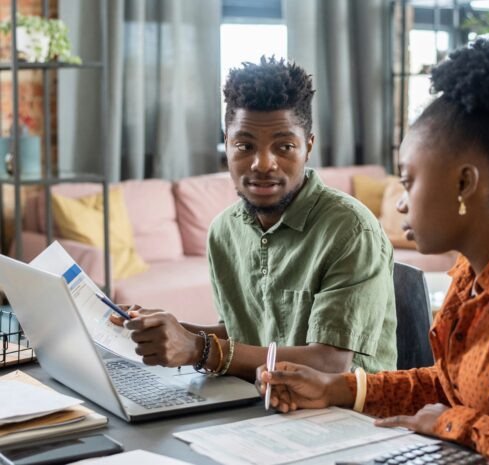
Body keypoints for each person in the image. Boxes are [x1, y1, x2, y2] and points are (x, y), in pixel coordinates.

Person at [257, 40, 489, 464]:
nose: (401, 202)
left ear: (464, 183)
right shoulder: (470, 273)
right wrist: (339, 388)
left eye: (409, 180)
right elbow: (451, 386)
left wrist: (452, 425)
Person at [112, 56, 397, 380]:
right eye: (244, 145)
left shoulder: (350, 230)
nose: (263, 163)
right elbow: (242, 334)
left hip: (347, 419)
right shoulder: (224, 230)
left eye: (284, 146)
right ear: (227, 146)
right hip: (258, 401)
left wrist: (198, 348)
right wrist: (166, 331)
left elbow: (330, 363)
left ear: (308, 147)